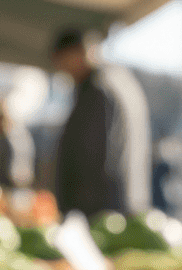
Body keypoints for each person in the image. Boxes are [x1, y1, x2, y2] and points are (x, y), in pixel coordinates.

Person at [50, 28, 150, 218]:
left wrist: (73, 208)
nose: (63, 70)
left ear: (78, 53)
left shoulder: (98, 88)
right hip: (119, 201)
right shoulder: (116, 79)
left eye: (62, 62)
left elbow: (89, 151)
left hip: (101, 207)